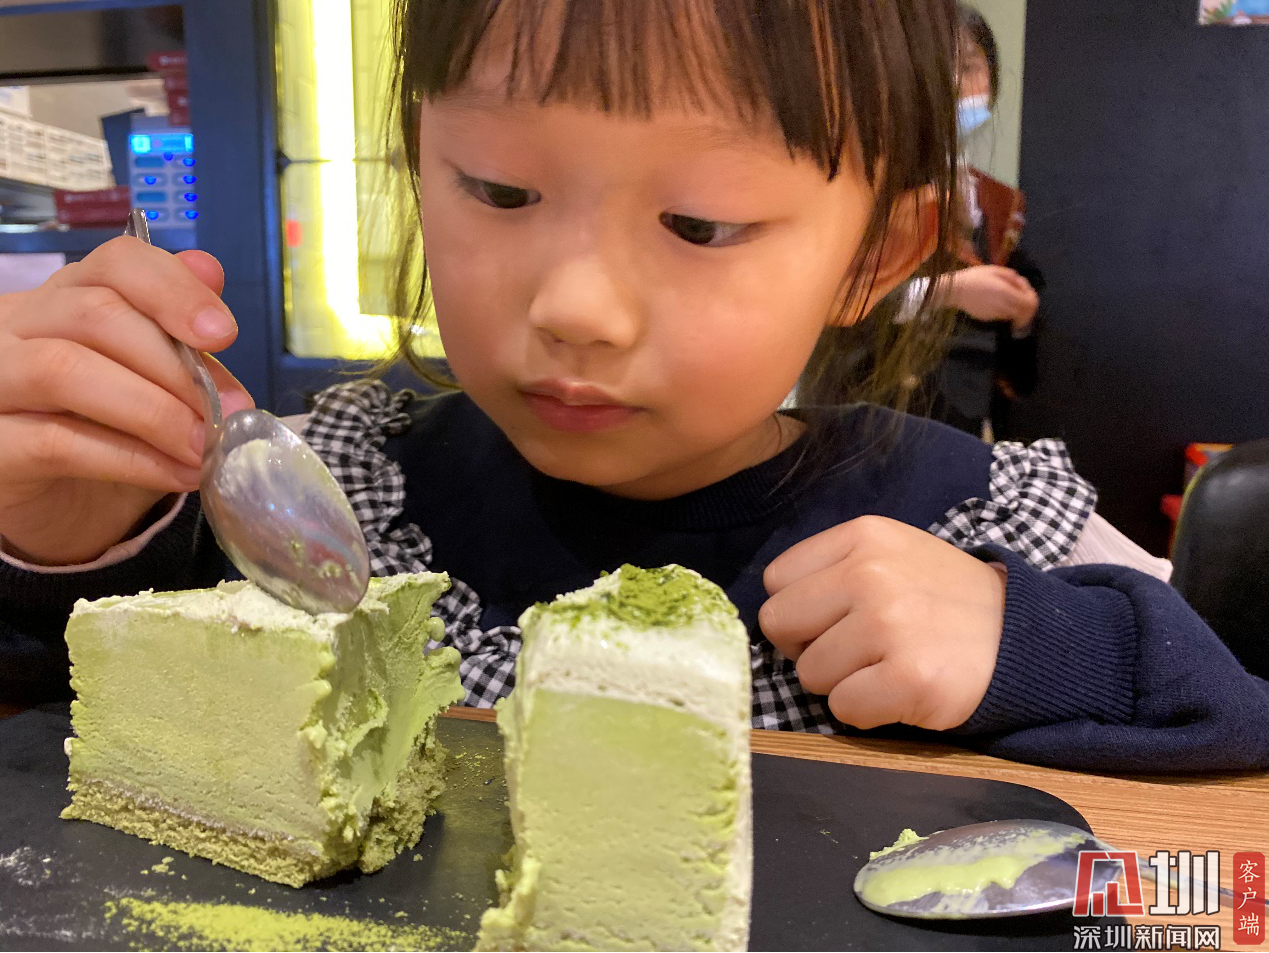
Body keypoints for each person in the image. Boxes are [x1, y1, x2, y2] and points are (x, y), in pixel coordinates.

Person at [0, 0, 1264, 774]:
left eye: (699, 222)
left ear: (874, 259)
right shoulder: (334, 490)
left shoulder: (977, 521)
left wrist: (1029, 646)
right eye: (500, 190)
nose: (575, 307)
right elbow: (87, 722)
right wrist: (61, 537)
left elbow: (1234, 725)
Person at [903, 3, 1044, 439]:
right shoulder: (869, 187)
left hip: (968, 423)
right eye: (935, 68)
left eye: (968, 68)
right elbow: (834, 302)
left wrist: (1021, 317)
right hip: (884, 419)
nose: (952, 84)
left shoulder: (996, 200)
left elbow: (1015, 368)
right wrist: (950, 290)